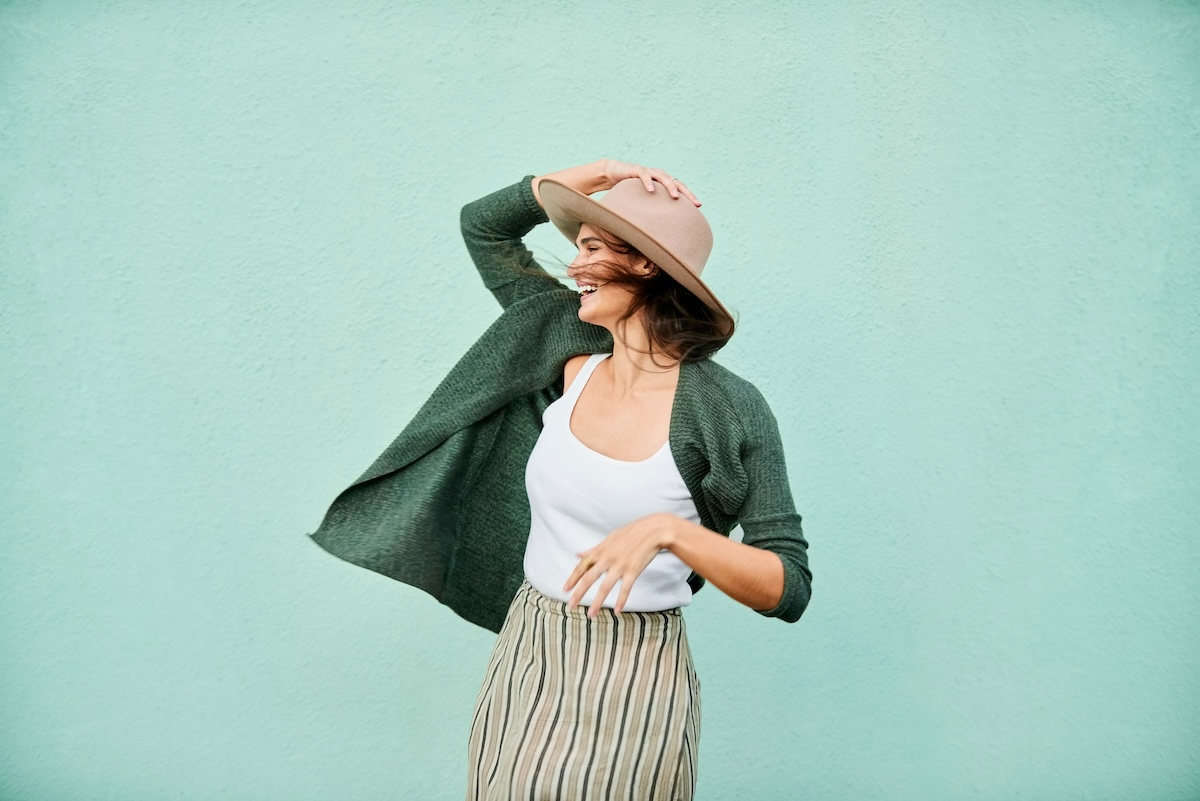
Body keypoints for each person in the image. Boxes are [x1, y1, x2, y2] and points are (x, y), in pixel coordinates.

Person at [308, 159, 812, 800]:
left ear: (646, 264)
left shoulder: (729, 408)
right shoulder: (567, 347)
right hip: (529, 647)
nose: (575, 267)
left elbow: (788, 585)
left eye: (593, 248)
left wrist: (672, 533)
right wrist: (601, 172)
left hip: (637, 673)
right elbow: (484, 227)